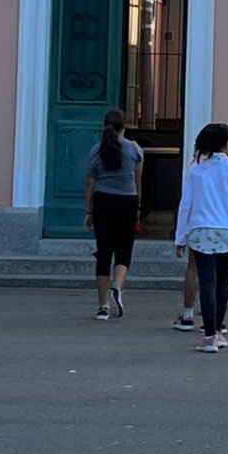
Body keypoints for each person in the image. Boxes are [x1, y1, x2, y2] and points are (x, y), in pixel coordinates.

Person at [174, 123, 228, 351]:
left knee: (206, 281)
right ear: (227, 144)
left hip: (200, 229)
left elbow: (185, 205)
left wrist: (180, 236)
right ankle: (218, 330)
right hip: (226, 229)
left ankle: (208, 336)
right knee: (223, 281)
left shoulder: (196, 169)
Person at [85, 108, 143, 321]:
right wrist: (138, 207)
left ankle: (102, 307)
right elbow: (138, 181)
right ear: (125, 125)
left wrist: (89, 210)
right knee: (124, 251)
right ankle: (117, 285)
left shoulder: (97, 150)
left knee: (104, 253)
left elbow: (90, 182)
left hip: (103, 201)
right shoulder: (135, 149)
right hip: (127, 202)